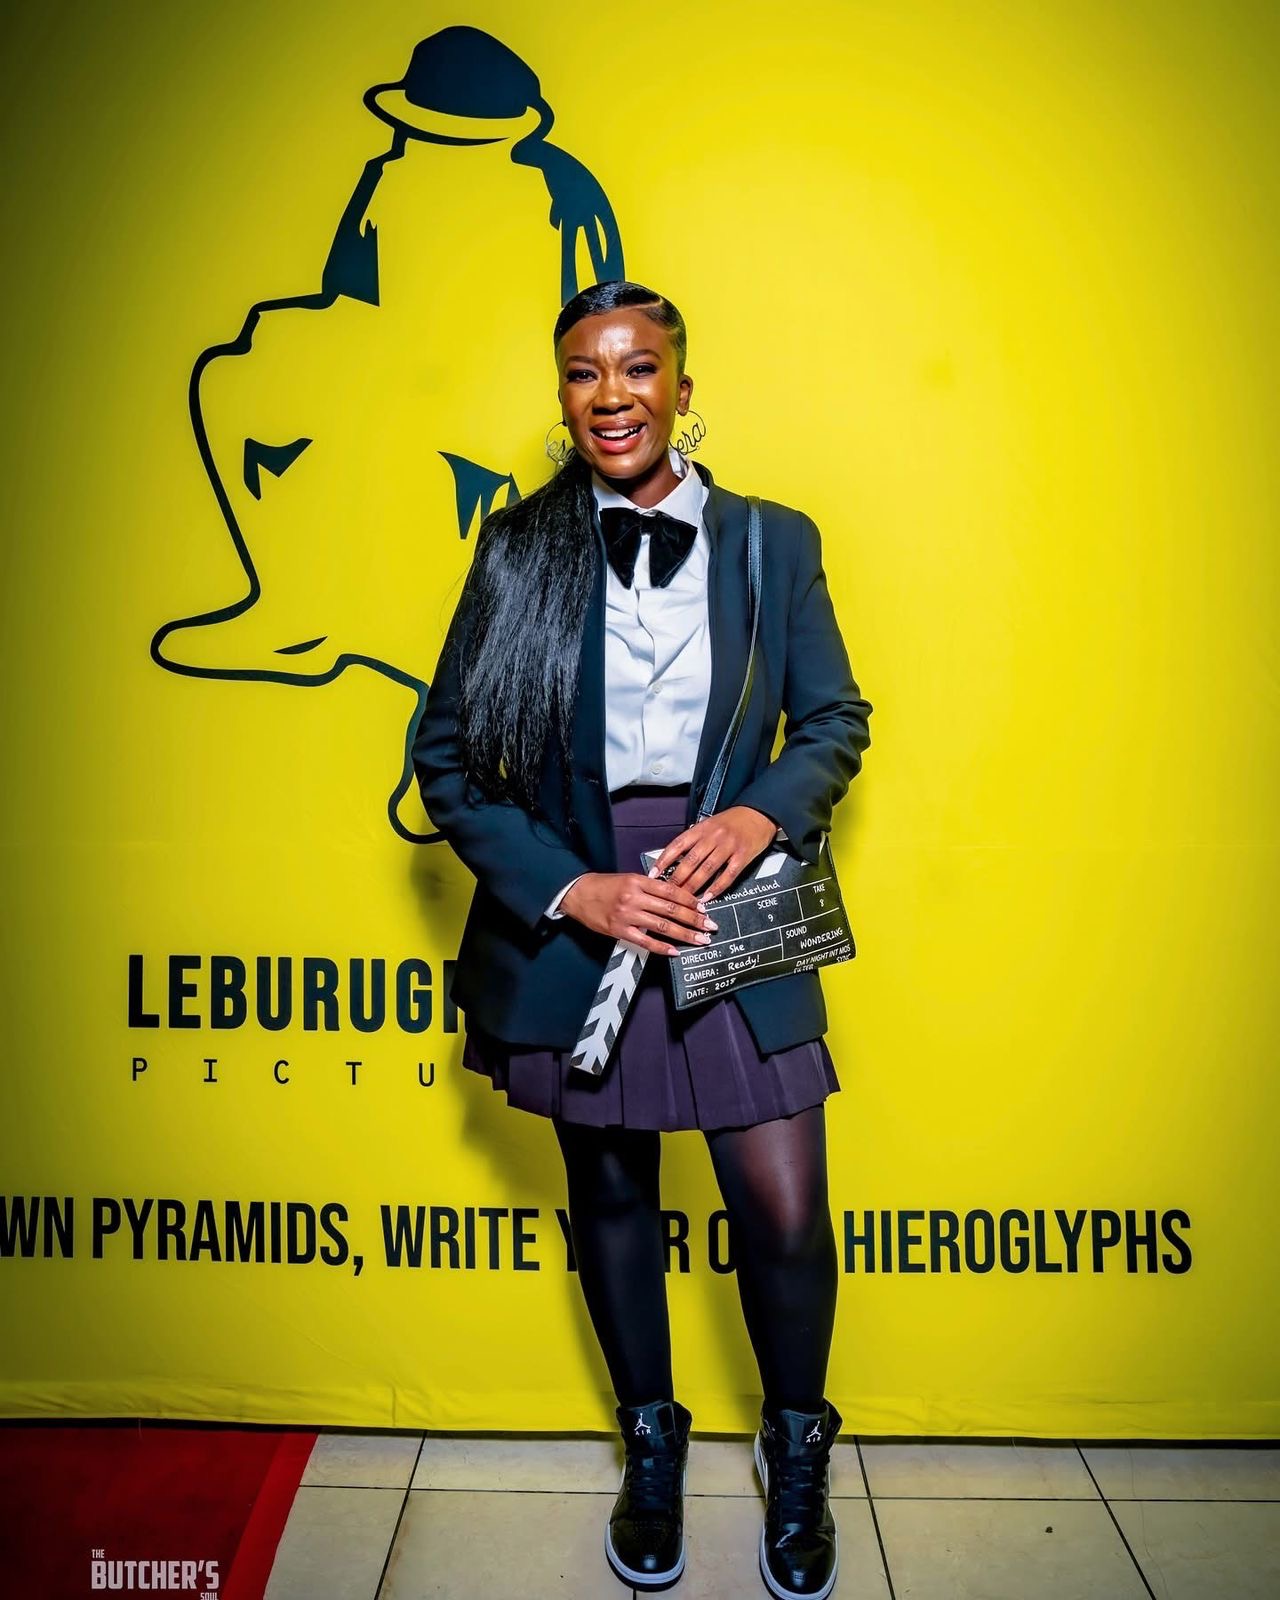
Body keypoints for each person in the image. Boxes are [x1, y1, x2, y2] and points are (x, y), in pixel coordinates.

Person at [412, 279, 872, 1599]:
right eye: (583, 372)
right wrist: (576, 892)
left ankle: (796, 1448)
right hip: (584, 887)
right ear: (562, 396)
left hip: (739, 884)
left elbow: (833, 720)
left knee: (783, 1205)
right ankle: (652, 1447)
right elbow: (446, 759)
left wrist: (759, 814)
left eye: (637, 367)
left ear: (681, 384)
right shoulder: (517, 551)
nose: (611, 394)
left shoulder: (772, 542)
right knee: (612, 1195)